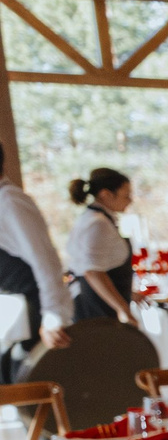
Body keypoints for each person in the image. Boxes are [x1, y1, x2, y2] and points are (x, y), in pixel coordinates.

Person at [0, 146, 71, 373]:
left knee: (30, 387)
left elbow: (46, 261)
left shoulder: (10, 201)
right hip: (12, 317)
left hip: (33, 314)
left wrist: (52, 318)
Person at [64, 168, 138, 327]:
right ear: (106, 194)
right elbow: (93, 272)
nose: (130, 200)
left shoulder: (99, 219)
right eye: (126, 195)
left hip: (100, 304)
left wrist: (130, 295)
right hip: (94, 306)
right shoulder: (97, 223)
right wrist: (123, 309)